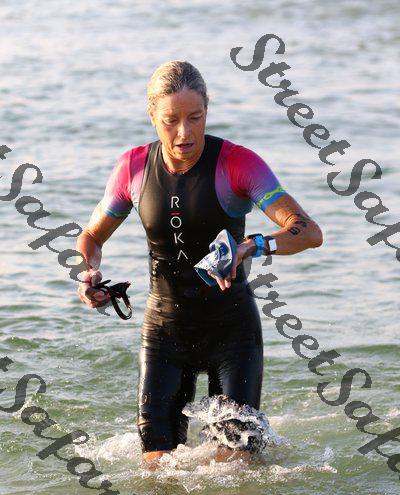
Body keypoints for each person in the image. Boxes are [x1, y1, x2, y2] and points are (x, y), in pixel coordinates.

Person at [76, 60, 323, 465]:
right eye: (171, 120)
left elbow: (308, 232)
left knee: (235, 471)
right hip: (164, 334)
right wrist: (88, 274)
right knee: (157, 469)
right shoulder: (133, 168)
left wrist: (254, 245)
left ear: (207, 109)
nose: (185, 133)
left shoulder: (238, 164)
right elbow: (91, 238)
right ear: (152, 115)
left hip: (232, 335)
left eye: (195, 117)